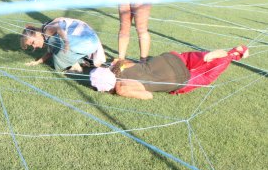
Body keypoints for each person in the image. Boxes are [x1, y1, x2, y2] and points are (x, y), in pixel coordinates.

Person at [89, 46, 249, 99]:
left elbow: (148, 96)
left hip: (178, 78)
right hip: (169, 58)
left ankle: (233, 54)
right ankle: (206, 56)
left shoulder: (121, 87)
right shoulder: (120, 66)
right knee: (192, 59)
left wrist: (119, 92)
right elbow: (121, 61)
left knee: (207, 76)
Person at [21, 18, 106, 73]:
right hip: (91, 42)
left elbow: (58, 27)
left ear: (37, 33)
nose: (34, 47)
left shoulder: (47, 30)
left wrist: (66, 42)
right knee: (55, 48)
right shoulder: (46, 31)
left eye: (32, 43)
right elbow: (50, 52)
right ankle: (84, 61)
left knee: (55, 50)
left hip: (87, 42)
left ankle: (75, 66)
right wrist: (37, 62)